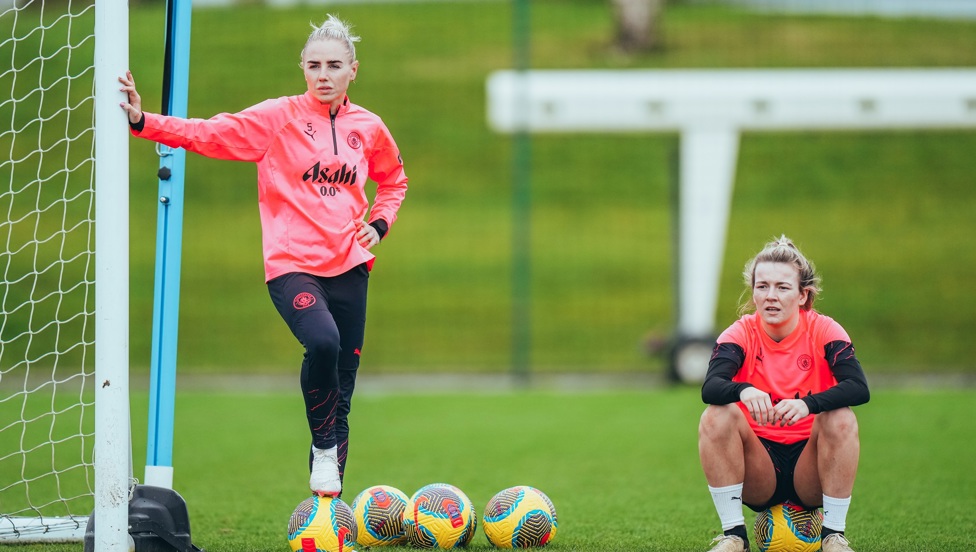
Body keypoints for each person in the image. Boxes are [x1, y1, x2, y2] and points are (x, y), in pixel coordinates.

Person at [119, 14, 408, 498]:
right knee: (322, 343)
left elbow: (394, 181)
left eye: (334, 65)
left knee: (343, 391)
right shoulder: (279, 118)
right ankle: (321, 453)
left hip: (351, 265)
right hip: (292, 265)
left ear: (352, 70)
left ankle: (328, 511)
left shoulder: (369, 127)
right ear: (302, 67)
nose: (323, 74)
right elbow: (209, 132)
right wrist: (143, 122)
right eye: (314, 65)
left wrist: (378, 224)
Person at [698, 236, 869, 552]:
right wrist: (744, 389)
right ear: (753, 292)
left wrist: (808, 405)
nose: (770, 296)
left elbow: (858, 388)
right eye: (762, 286)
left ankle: (833, 536)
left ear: (803, 295)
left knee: (841, 416)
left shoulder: (825, 330)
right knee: (717, 413)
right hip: (759, 468)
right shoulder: (740, 333)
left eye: (782, 287)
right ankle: (734, 536)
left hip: (812, 467)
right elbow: (711, 386)